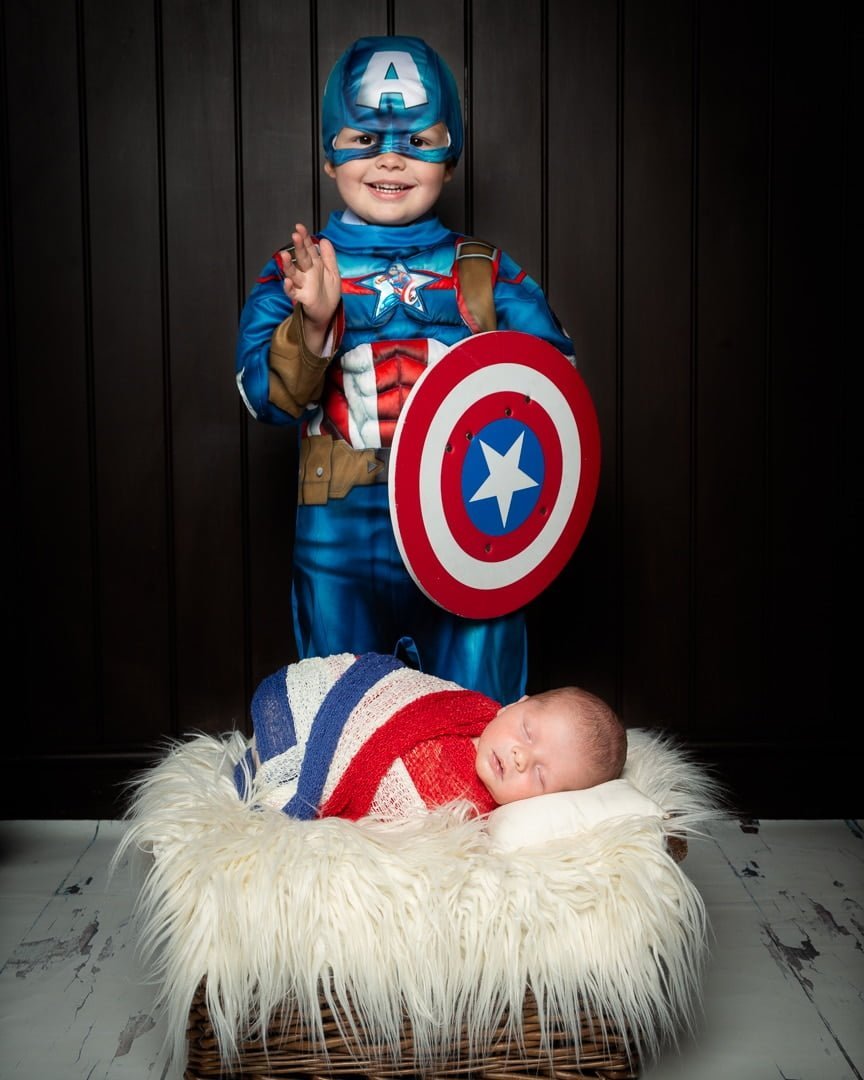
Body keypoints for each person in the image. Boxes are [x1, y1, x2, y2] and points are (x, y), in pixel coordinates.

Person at [235, 35, 576, 705]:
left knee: (479, 719)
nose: (390, 158)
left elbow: (556, 391)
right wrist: (312, 324)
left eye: (418, 141)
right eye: (363, 139)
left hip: (472, 529)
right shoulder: (299, 271)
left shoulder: (484, 272)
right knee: (342, 729)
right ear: (330, 155)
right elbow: (263, 400)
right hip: (339, 536)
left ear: (450, 158)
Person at [233, 651, 626, 821]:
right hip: (344, 698)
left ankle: (283, 767)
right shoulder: (466, 707)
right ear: (513, 705)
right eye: (526, 730)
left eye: (540, 776)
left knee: (287, 777)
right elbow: (397, 689)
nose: (521, 756)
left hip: (346, 770)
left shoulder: (476, 816)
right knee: (278, 698)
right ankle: (284, 749)